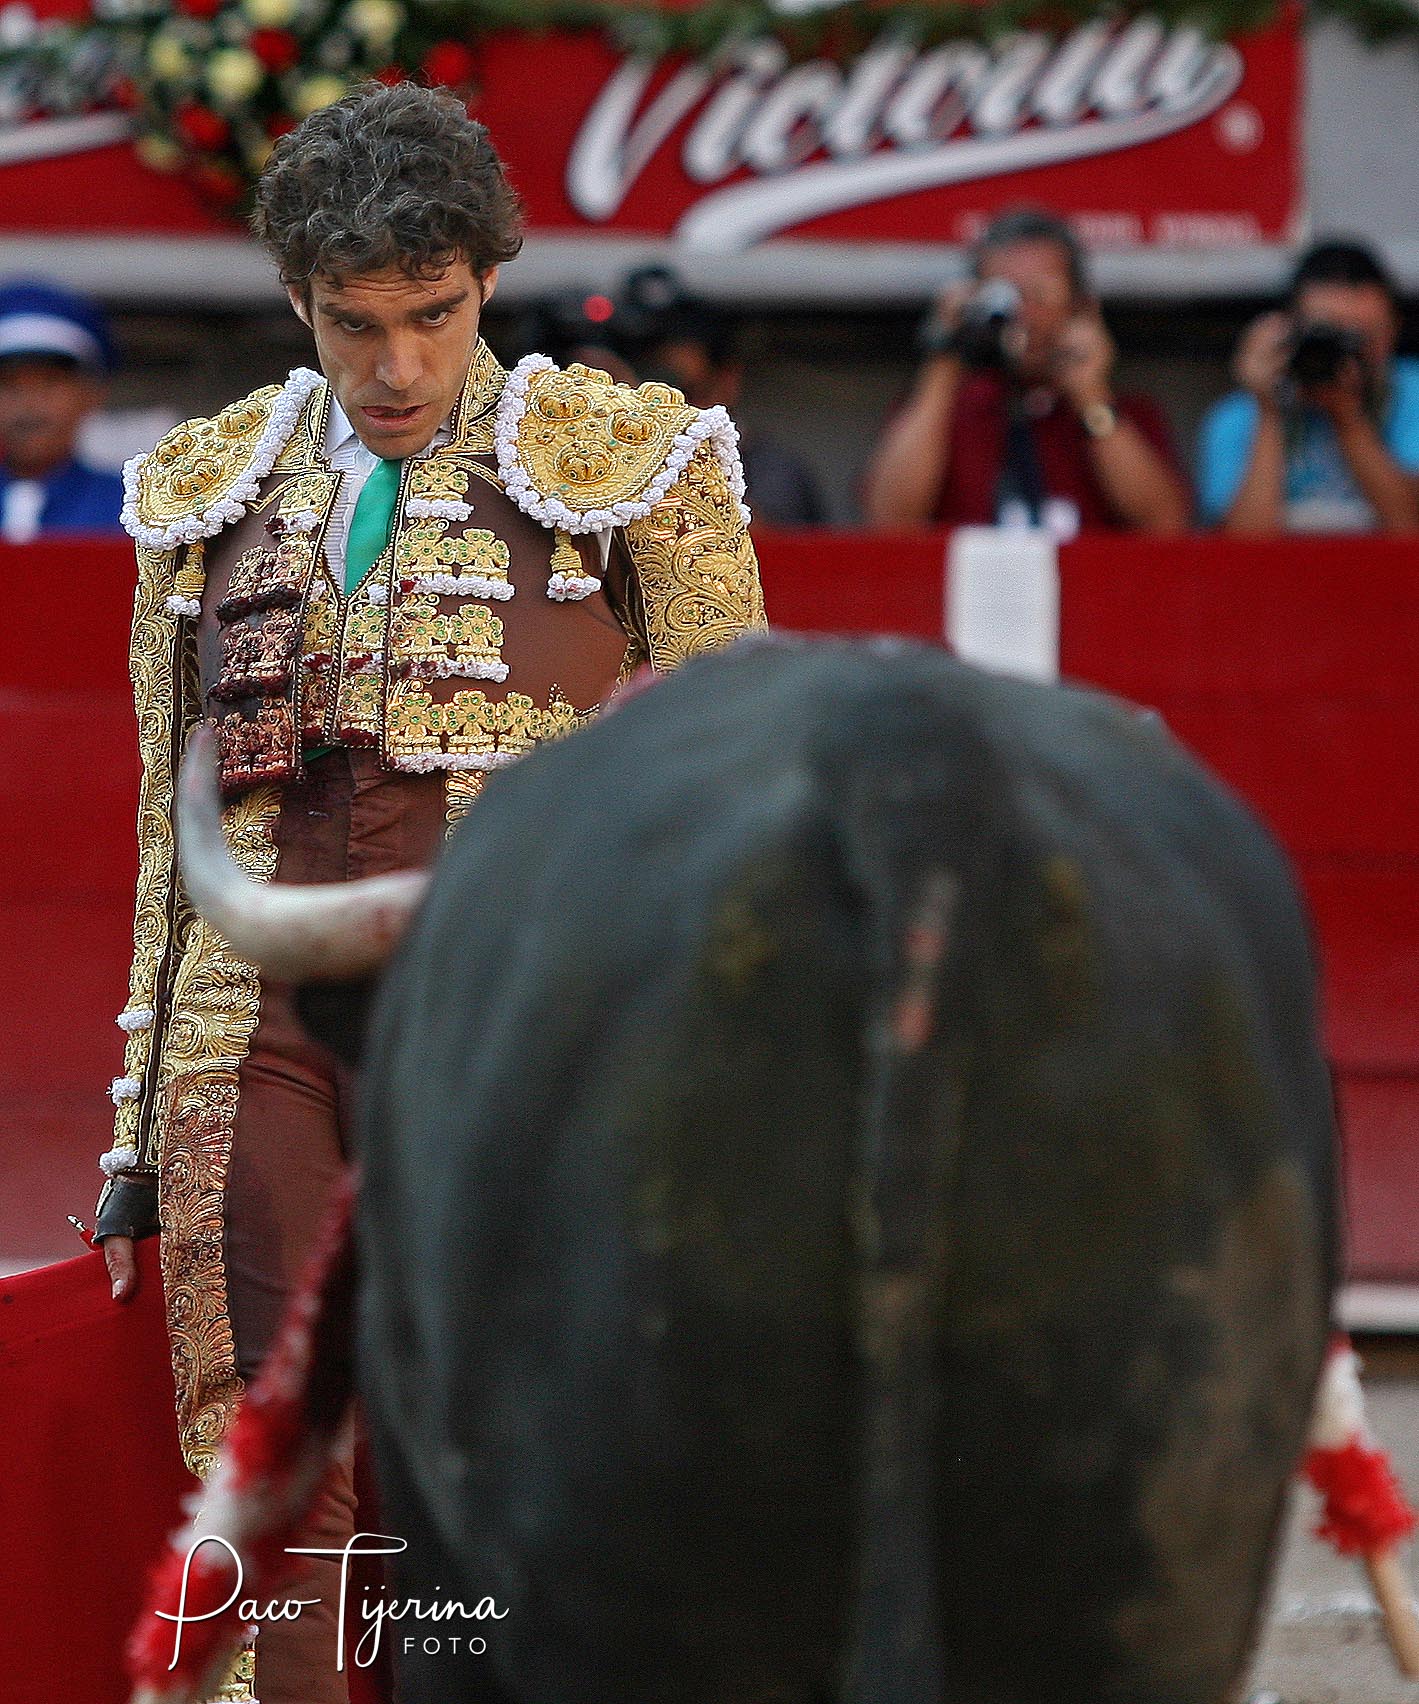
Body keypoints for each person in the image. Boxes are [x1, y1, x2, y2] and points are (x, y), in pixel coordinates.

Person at [91, 80, 764, 1704]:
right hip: (250, 1037)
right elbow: (161, 828)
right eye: (353, 323)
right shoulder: (199, 491)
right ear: (295, 304)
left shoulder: (635, 462)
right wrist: (130, 1122)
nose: (394, 367)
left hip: (526, 1029)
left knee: (516, 1435)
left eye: (432, 315)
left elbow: (745, 775)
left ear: (489, 276)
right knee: (269, 1449)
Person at [862, 208, 1188, 537]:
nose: (1023, 314)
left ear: (1081, 306)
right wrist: (946, 353)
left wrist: (1090, 393)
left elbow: (1164, 526)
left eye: (1040, 294)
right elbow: (889, 521)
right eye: (1004, 295)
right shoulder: (947, 410)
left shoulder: (1127, 413)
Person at [1198, 240, 1419, 534]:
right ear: (1288, 331)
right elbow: (1243, 552)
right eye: (1327, 336)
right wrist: (1269, 410)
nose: (1344, 355)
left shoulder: (1412, 395)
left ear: (1393, 330)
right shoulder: (1238, 415)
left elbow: (1410, 527)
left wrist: (1348, 419)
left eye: (1360, 339)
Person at [625, 266, 828, 526]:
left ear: (727, 382)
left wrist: (658, 453)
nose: (659, 409)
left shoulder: (771, 468)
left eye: (679, 393)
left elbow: (757, 547)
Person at [0, 279, 124, 541]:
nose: (29, 403)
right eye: (9, 384)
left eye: (50, 382)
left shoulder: (133, 511)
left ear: (92, 394)